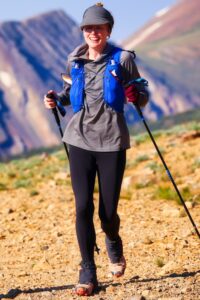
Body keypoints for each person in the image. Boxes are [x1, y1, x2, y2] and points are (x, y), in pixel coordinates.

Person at [44, 3, 148, 296]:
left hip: (112, 142)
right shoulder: (74, 61)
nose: (93, 33)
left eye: (98, 28)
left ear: (108, 31)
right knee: (82, 208)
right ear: (83, 32)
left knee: (107, 212)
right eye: (88, 28)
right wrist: (55, 100)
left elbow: (142, 95)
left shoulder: (123, 59)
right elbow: (69, 95)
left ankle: (113, 241)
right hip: (78, 140)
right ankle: (87, 269)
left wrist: (136, 94)